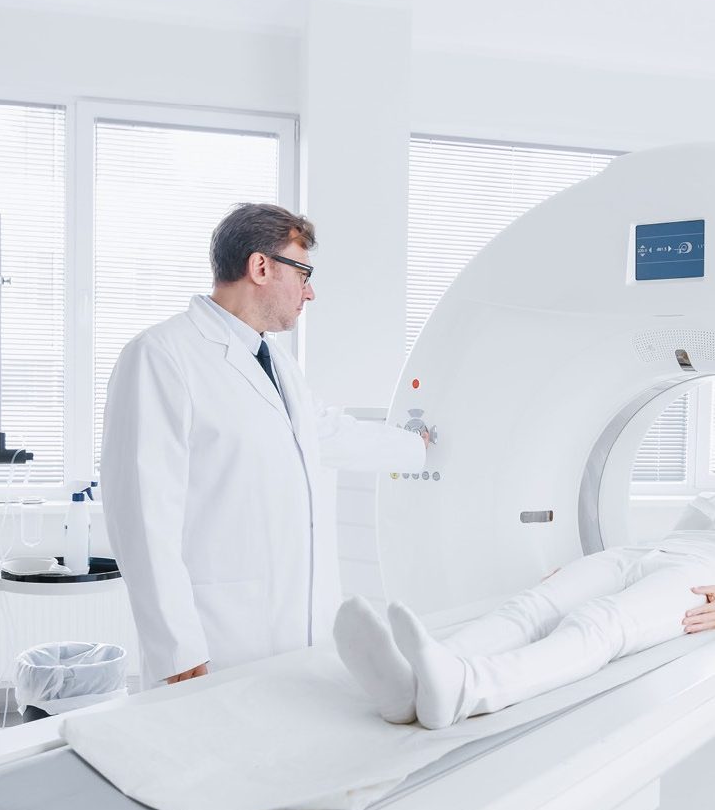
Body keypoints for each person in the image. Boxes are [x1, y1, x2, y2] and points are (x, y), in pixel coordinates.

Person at [101, 203, 426, 688]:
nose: (310, 292)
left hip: (301, 632)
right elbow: (143, 518)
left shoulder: (276, 361)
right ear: (260, 267)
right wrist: (177, 648)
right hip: (216, 640)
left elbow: (324, 433)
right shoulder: (161, 355)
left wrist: (418, 447)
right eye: (303, 274)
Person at [333, 493, 715, 730]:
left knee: (601, 621)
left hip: (703, 571)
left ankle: (466, 689)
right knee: (536, 603)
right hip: (643, 550)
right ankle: (411, 682)